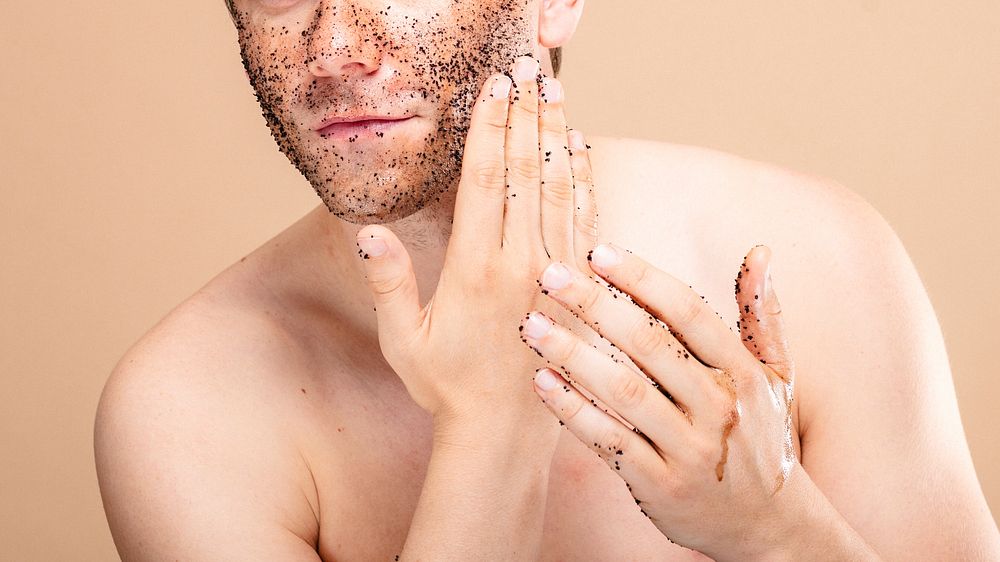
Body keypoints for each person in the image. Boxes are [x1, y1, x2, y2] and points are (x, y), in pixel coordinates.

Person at [94, 0, 1000, 560]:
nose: (335, 47)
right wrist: (491, 429)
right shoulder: (185, 409)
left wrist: (776, 532)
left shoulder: (817, 258)